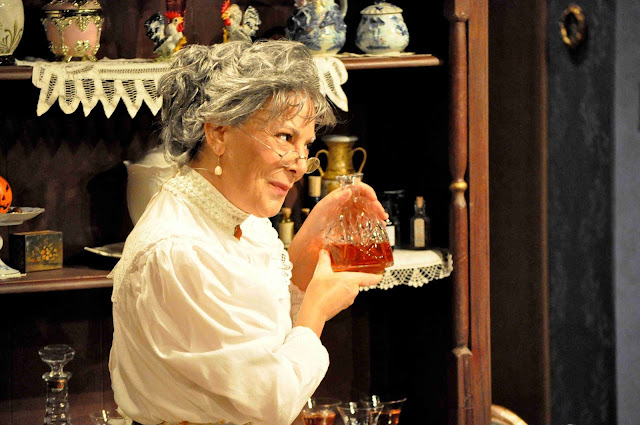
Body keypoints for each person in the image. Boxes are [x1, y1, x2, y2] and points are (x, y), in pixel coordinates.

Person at [109, 39, 388, 425]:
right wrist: (317, 308)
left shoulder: (242, 218)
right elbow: (273, 399)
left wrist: (309, 240)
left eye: (306, 144)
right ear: (218, 133)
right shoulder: (177, 250)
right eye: (285, 137)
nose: (300, 165)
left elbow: (256, 329)